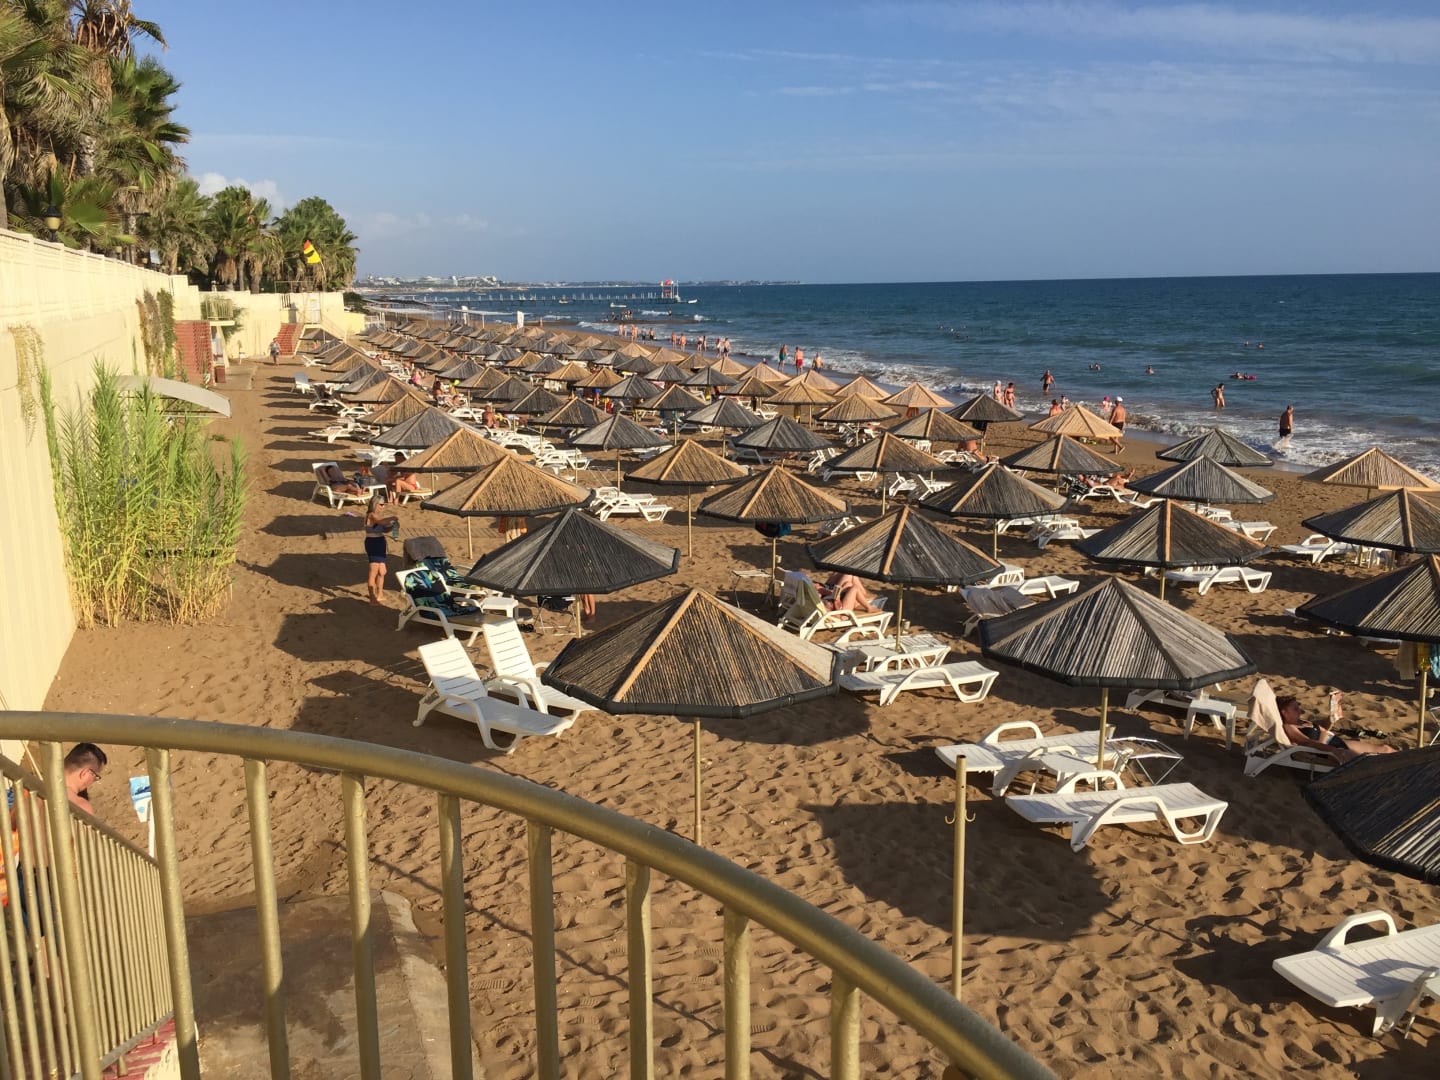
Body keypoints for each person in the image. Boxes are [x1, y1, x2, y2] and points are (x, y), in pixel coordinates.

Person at [1276, 692, 1395, 763]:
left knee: (1385, 749)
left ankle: (1405, 763)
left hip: (1335, 741)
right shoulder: (1289, 727)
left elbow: (1323, 727)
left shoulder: (1301, 721)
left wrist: (1333, 716)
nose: (1300, 711)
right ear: (1284, 712)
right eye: (1295, 709)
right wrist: (1333, 750)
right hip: (1328, 750)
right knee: (1367, 762)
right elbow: (1307, 742)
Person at [363, 491, 400, 605]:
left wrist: (393, 526)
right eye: (381, 504)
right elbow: (381, 522)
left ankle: (379, 594)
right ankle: (372, 597)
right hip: (373, 543)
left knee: (382, 571)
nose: (383, 507)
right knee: (373, 571)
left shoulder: (377, 516)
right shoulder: (371, 515)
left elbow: (384, 529)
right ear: (375, 504)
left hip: (380, 542)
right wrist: (393, 518)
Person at [64, 743, 107, 815]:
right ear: (85, 773)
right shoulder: (80, 807)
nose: (93, 781)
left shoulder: (42, 787)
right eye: (96, 776)